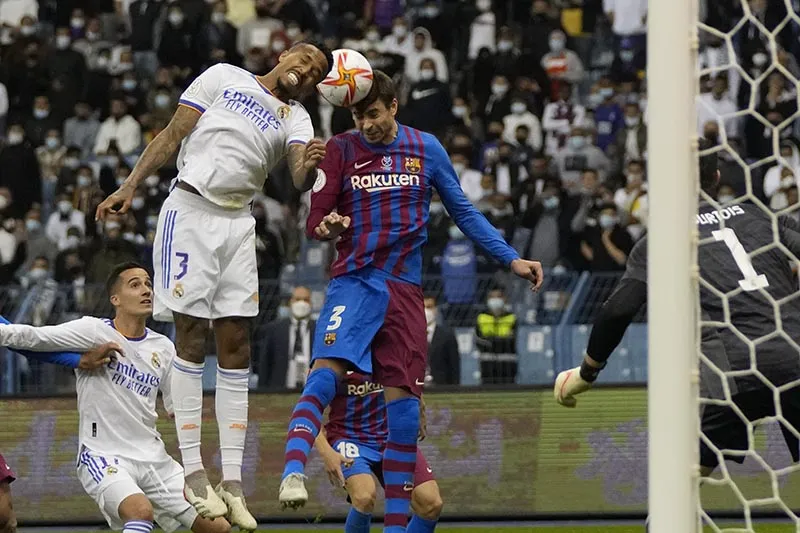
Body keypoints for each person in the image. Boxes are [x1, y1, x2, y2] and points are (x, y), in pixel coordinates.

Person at [279, 70, 543, 533]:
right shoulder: (340, 148)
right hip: (356, 281)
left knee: (403, 411)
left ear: (393, 107)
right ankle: (292, 471)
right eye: (359, 115)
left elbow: (463, 210)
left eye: (374, 113)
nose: (366, 124)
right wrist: (329, 228)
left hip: (404, 290)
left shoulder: (426, 148)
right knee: (325, 373)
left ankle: (397, 528)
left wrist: (511, 259)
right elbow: (314, 221)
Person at [94, 41, 334, 529]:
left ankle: (233, 481)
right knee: (191, 336)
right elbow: (172, 133)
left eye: (315, 74)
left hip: (238, 224)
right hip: (191, 210)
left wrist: (310, 165)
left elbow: (296, 176)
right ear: (285, 54)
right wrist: (130, 185)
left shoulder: (297, 117)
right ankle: (194, 472)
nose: (306, 72)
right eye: (304, 61)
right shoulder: (225, 75)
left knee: (236, 345)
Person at [555, 146, 800, 479]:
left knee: (684, 479)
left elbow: (618, 310)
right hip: (793, 353)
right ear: (716, 177)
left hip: (733, 374)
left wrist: (587, 373)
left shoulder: (663, 239)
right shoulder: (758, 215)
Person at [0, 263, 232, 533]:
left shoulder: (164, 348)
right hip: (104, 456)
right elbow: (33, 338)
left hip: (155, 460)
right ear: (115, 299)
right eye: (135, 285)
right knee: (140, 512)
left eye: (148, 283)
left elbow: (175, 408)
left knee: (219, 528)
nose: (146, 290)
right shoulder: (94, 331)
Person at [315, 371, 442, 533]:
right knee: (364, 497)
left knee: (431, 504)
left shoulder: (389, 350)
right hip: (348, 438)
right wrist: (327, 453)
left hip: (391, 436)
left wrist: (418, 402)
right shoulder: (335, 354)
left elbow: (407, 374)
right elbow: (307, 411)